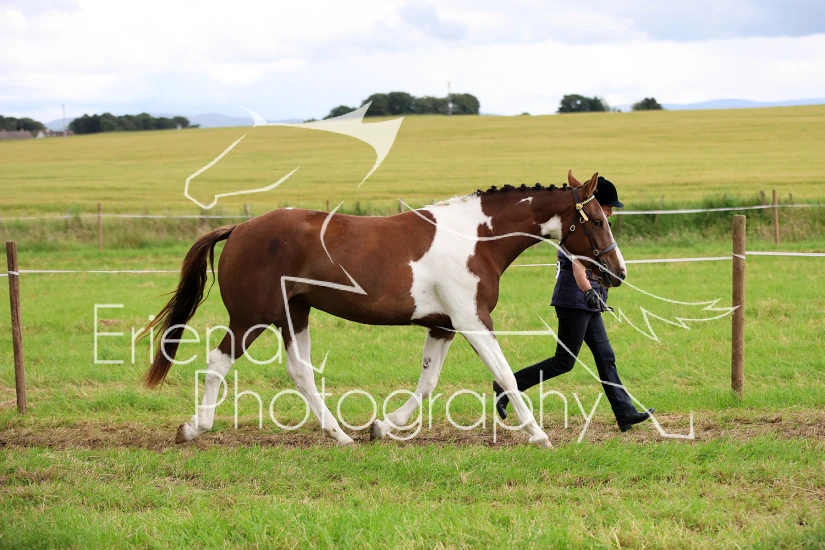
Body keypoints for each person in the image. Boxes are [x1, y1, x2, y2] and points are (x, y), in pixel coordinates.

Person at [494, 176, 654, 432]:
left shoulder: (592, 229)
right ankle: (506, 386)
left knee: (605, 357)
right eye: (608, 207)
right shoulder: (578, 231)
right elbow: (578, 267)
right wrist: (589, 291)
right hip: (574, 301)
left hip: (589, 303)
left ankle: (625, 413)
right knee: (564, 362)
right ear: (594, 205)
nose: (611, 212)